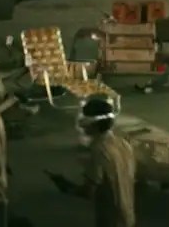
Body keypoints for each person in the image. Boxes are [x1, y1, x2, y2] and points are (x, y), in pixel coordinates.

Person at [54, 97, 137, 227]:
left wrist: (68, 188)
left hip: (110, 217)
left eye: (84, 123)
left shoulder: (98, 149)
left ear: (94, 125)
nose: (82, 128)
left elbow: (90, 189)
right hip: (128, 214)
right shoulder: (124, 143)